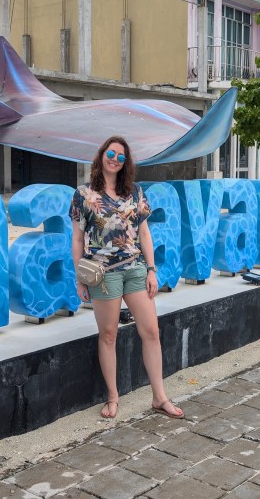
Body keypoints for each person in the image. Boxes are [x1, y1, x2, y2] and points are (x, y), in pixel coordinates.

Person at [69, 136, 184, 420]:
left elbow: (144, 233)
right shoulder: (83, 194)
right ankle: (113, 397)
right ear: (102, 155)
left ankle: (160, 397)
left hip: (135, 268)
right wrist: (79, 277)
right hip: (103, 274)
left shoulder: (135, 192)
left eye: (121, 157)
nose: (115, 159)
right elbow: (77, 238)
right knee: (108, 335)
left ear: (126, 163)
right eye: (111, 153)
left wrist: (152, 269)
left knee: (152, 332)